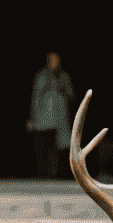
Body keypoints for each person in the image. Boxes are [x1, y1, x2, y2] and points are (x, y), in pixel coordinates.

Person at [26, 51, 75, 179]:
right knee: (43, 150)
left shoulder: (64, 76)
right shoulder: (42, 76)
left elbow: (71, 95)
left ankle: (58, 176)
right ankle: (43, 176)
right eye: (52, 60)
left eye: (57, 60)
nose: (55, 62)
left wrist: (64, 88)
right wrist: (32, 117)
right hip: (43, 120)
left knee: (59, 150)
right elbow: (35, 98)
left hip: (59, 120)